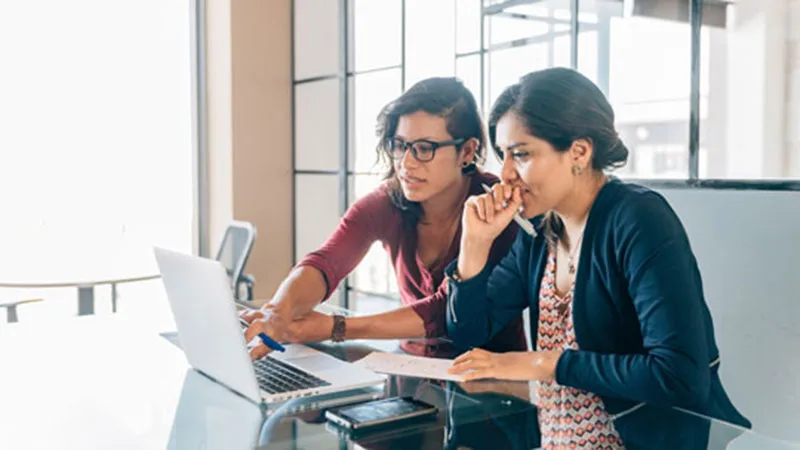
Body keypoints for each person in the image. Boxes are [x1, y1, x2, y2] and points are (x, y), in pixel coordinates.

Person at [445, 68, 750, 449]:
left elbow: (679, 376)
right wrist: (473, 246)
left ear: (579, 151)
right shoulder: (542, 232)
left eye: (521, 155)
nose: (505, 175)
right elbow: (468, 334)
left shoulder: (639, 219)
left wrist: (545, 363)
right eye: (503, 156)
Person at [243, 77, 526, 358]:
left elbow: (444, 312)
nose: (406, 163)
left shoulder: (496, 208)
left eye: (424, 148)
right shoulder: (389, 201)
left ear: (466, 151)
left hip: (489, 385)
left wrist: (335, 327)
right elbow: (327, 261)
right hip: (410, 369)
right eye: (400, 145)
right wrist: (277, 311)